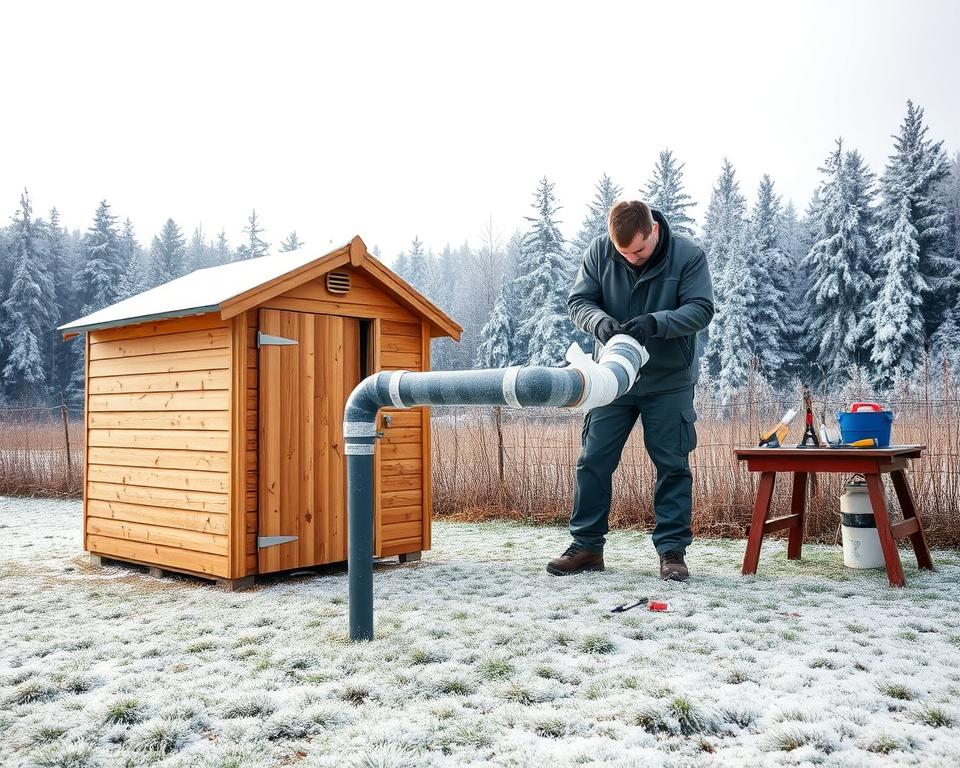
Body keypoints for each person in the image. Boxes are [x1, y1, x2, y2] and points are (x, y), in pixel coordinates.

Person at [547, 200, 715, 581]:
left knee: (672, 465)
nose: (632, 259)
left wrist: (655, 324)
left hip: (668, 380)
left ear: (653, 230)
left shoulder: (688, 256)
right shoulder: (599, 252)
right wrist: (599, 323)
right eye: (623, 252)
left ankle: (672, 552)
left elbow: (701, 309)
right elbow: (579, 302)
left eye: (638, 250)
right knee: (593, 460)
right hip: (610, 380)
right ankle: (586, 547)